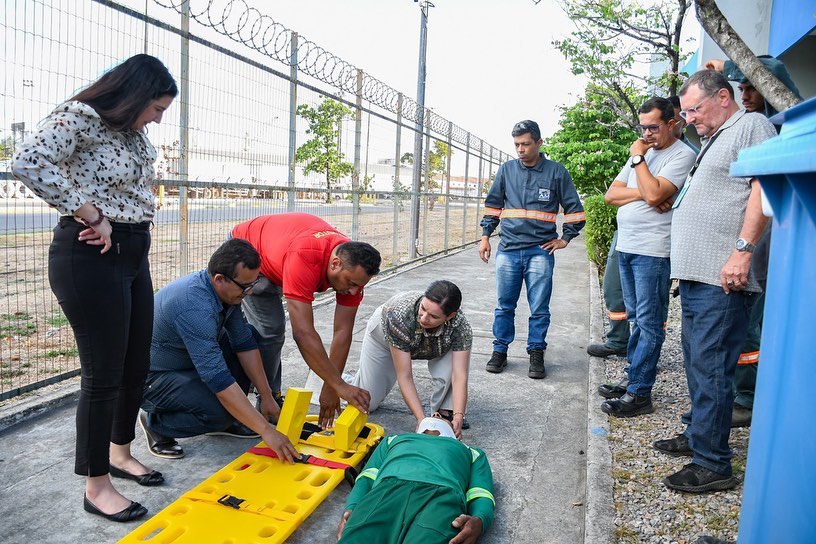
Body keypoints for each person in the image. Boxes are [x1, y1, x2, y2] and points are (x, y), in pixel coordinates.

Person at [11, 54, 177, 522]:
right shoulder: (80, 117)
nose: (158, 118)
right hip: (90, 253)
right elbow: (27, 161)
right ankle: (96, 485)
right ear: (132, 95)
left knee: (135, 361)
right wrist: (92, 214)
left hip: (132, 252)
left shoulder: (134, 134)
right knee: (102, 373)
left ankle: (120, 453)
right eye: (156, 108)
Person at [653, 70, 776, 493]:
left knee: (713, 370)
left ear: (723, 97)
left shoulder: (751, 126)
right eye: (684, 112)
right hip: (698, 276)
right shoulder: (716, 138)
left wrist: (742, 251)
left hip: (722, 278)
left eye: (693, 110)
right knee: (698, 366)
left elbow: (764, 188)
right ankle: (699, 437)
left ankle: (713, 464)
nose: (687, 119)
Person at [703, 55, 802, 428]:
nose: (745, 95)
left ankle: (746, 397)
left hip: (774, 243)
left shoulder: (782, 127)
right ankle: (742, 393)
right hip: (756, 242)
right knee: (749, 322)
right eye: (739, 88)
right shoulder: (756, 125)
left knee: (755, 324)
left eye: (750, 88)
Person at [140, 239, 299, 464]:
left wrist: (266, 396)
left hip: (186, 363)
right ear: (219, 279)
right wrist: (266, 431)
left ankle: (231, 415)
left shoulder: (224, 293)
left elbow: (244, 344)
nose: (250, 293)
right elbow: (217, 378)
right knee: (219, 413)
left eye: (254, 283)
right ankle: (155, 422)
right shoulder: (195, 307)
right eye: (245, 286)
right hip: (154, 378)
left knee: (253, 336)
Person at [231, 213, 381, 427]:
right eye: (351, 282)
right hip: (249, 250)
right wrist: (339, 384)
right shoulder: (306, 255)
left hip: (282, 253)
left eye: (359, 285)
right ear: (335, 264)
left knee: (269, 332)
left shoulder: (353, 269)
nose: (354, 290)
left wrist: (331, 387)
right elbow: (302, 333)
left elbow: (342, 332)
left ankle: (269, 395)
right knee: (270, 330)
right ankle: (264, 400)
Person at [599, 97, 696, 417]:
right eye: (642, 127)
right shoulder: (644, 152)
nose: (646, 133)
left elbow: (657, 194)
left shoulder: (682, 155)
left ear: (673, 122)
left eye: (653, 127)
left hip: (653, 253)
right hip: (626, 246)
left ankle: (640, 393)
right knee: (635, 321)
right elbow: (611, 195)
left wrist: (640, 164)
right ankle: (633, 381)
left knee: (649, 324)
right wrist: (648, 189)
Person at [479, 120, 585, 379]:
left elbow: (575, 209)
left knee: (539, 307)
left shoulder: (557, 172)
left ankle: (536, 352)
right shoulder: (506, 170)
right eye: (517, 144)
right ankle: (500, 351)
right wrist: (485, 237)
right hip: (509, 250)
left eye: (526, 144)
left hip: (540, 251)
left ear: (539, 143)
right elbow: (493, 206)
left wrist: (565, 239)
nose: (520, 149)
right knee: (505, 305)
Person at [336, 416, 494, 544]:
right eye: (433, 413)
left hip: (439, 499)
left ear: (456, 435)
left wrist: (480, 520)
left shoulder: (471, 452)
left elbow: (481, 493)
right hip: (386, 491)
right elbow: (366, 477)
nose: (436, 414)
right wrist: (351, 508)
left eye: (445, 416)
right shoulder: (392, 440)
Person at [350, 280, 472, 438]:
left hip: (438, 342)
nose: (424, 318)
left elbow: (459, 375)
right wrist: (421, 420)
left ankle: (445, 411)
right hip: (385, 338)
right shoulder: (398, 314)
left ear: (451, 316)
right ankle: (343, 381)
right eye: (423, 308)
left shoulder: (461, 327)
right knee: (367, 402)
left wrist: (458, 416)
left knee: (454, 367)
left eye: (433, 316)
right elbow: (404, 375)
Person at [586, 229, 630, 360]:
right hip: (625, 233)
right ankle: (618, 341)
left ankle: (647, 353)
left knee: (651, 301)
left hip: (655, 240)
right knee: (613, 291)